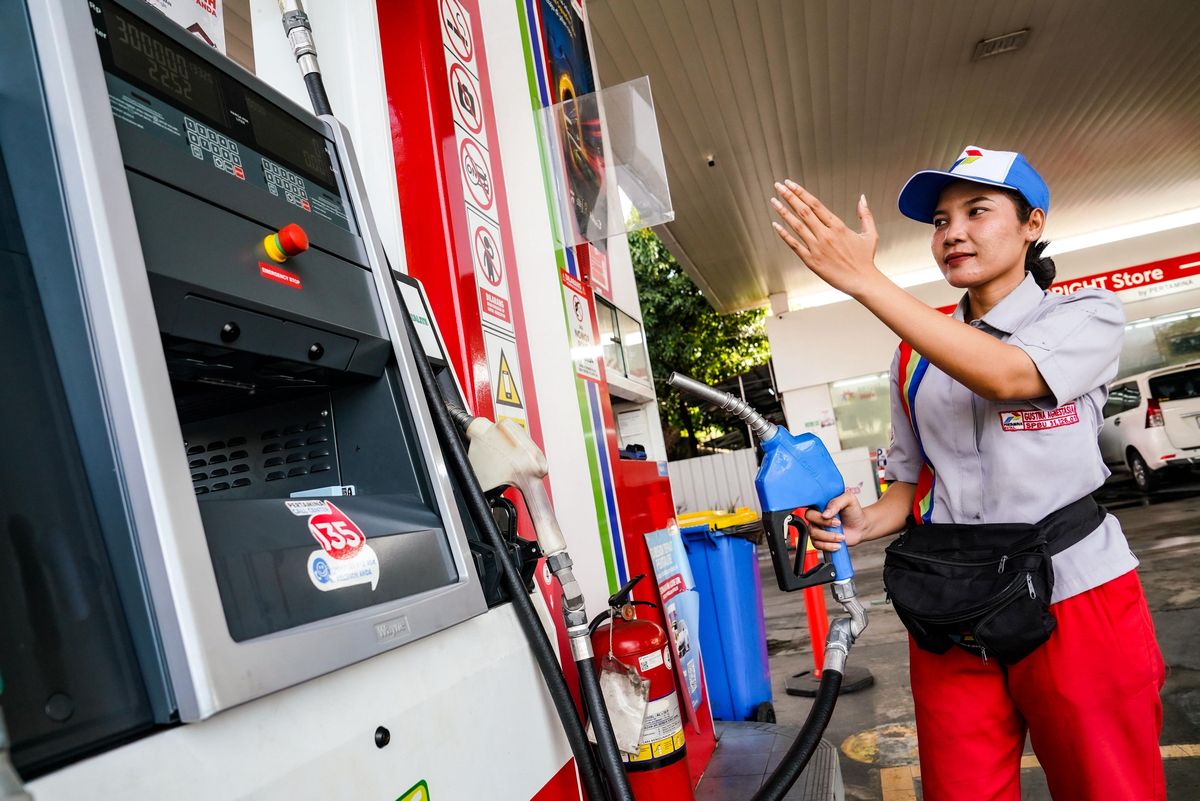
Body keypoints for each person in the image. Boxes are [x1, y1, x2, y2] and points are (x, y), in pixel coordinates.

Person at [769, 146, 1166, 801]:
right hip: (952, 610)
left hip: (1076, 592)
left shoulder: (1083, 315)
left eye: (977, 211)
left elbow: (1008, 374)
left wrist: (867, 281)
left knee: (1110, 786)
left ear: (1032, 222)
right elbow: (909, 485)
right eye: (940, 220)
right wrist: (862, 522)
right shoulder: (912, 357)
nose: (953, 232)